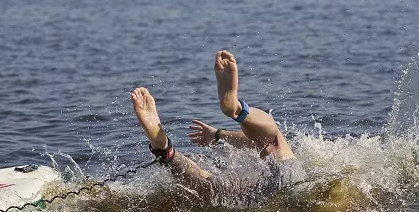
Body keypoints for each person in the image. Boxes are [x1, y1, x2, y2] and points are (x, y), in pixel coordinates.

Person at [130, 50, 303, 198]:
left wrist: (218, 135)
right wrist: (217, 135)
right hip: (287, 186)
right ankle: (236, 110)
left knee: (210, 186)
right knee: (273, 142)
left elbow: (251, 142)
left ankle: (166, 151)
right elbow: (253, 142)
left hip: (252, 196)